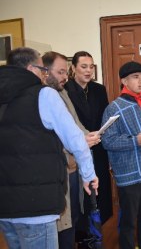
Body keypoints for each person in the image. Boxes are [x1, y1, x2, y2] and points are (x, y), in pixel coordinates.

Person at [0, 47, 98, 249]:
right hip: (36, 207)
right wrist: (89, 175)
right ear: (30, 68)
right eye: (41, 68)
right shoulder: (44, 95)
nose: (45, 74)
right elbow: (76, 141)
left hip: (5, 206)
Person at [101, 61, 141, 249]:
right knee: (129, 222)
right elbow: (108, 141)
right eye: (135, 77)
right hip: (129, 175)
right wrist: (133, 141)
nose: (140, 81)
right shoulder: (113, 108)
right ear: (124, 80)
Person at [43, 51, 102, 249]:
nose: (64, 77)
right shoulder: (45, 96)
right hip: (58, 169)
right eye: (60, 72)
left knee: (73, 215)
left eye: (91, 66)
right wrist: (81, 140)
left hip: (74, 166)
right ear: (45, 71)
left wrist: (87, 135)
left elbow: (74, 124)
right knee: (62, 223)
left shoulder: (62, 92)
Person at [64, 51, 113, 225]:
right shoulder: (64, 90)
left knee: (100, 193)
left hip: (98, 146)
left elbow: (104, 116)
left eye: (91, 67)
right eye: (83, 66)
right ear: (73, 68)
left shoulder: (99, 89)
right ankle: (83, 232)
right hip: (76, 147)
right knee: (80, 199)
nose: (88, 71)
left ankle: (97, 227)